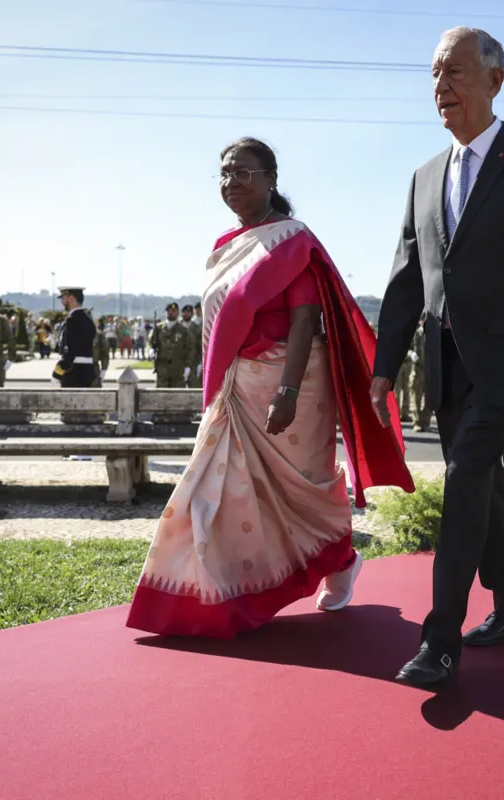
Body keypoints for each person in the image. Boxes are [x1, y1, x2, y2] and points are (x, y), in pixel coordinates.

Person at [371, 27, 504, 689]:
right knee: (488, 487)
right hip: (446, 366)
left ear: (496, 80)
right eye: (435, 75)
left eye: (457, 72)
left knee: (465, 476)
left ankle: (439, 643)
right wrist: (383, 366)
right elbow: (409, 278)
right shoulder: (424, 176)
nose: (443, 87)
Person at [126, 137, 411, 638]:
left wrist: (287, 392)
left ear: (272, 179)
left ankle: (340, 559)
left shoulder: (291, 240)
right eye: (225, 174)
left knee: (297, 492)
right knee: (215, 493)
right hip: (235, 389)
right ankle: (217, 594)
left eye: (244, 172)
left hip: (289, 386)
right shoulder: (223, 247)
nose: (232, 182)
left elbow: (305, 320)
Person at [53, 287, 98, 388]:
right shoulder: (87, 318)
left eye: (64, 298)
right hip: (86, 371)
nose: (62, 302)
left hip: (73, 372)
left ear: (72, 298)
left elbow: (70, 351)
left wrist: (57, 374)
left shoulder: (73, 320)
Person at [154, 303, 191, 388]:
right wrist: (151, 350)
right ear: (165, 312)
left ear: (178, 313)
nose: (171, 313)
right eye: (169, 311)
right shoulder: (158, 328)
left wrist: (188, 366)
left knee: (178, 396)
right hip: (162, 369)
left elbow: (190, 349)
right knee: (160, 396)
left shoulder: (183, 331)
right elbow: (151, 341)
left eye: (174, 311)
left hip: (178, 369)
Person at [410, 318, 432, 432]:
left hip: (431, 371)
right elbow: (406, 348)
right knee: (416, 398)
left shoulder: (434, 333)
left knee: (430, 398)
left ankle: (426, 421)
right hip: (418, 370)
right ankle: (417, 422)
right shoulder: (416, 334)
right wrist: (411, 354)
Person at [181, 304, 204, 388]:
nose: (186, 314)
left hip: (193, 363)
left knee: (194, 388)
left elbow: (200, 346)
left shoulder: (197, 328)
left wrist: (200, 363)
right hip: (178, 363)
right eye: (185, 312)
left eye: (189, 312)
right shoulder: (178, 326)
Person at [93, 318, 111, 387]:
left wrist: (103, 372)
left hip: (93, 371)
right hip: (74, 372)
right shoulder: (72, 332)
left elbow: (105, 354)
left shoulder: (98, 334)